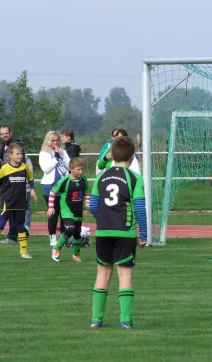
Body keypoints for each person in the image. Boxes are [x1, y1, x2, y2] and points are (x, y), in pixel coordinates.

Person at [88, 136, 147, 329]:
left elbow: (94, 205)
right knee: (125, 274)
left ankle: (96, 320)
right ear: (132, 157)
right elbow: (139, 207)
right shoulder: (134, 178)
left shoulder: (101, 177)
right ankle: (125, 320)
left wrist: (103, 220)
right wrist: (144, 233)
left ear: (112, 155)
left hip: (104, 231)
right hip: (125, 232)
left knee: (103, 273)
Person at [0, 144, 37, 259]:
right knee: (0, 224)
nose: (20, 156)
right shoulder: (5, 168)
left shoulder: (24, 167)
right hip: (8, 202)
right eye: (18, 154)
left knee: (20, 226)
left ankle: (24, 252)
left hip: (21, 202)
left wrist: (32, 189)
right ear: (10, 155)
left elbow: (31, 179)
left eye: (21, 154)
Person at [49, 157, 90, 262]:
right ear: (71, 169)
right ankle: (56, 249)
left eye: (82, 169)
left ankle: (76, 255)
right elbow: (53, 192)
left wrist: (87, 201)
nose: (80, 171)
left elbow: (87, 192)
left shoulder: (84, 179)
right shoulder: (65, 181)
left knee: (77, 233)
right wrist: (51, 207)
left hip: (78, 211)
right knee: (70, 229)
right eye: (78, 169)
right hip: (67, 211)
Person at [0, 125, 33, 244]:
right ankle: (18, 234)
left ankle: (13, 236)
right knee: (11, 213)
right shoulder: (1, 147)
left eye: (6, 133)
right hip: (8, 186)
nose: (4, 135)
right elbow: (2, 168)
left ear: (10, 133)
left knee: (14, 213)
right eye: (2, 134)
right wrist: (0, 186)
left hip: (18, 185)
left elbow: (23, 166)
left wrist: (28, 186)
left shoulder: (17, 146)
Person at [39, 131, 71, 246]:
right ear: (48, 141)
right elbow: (46, 169)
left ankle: (64, 237)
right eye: (53, 140)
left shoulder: (63, 151)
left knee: (65, 214)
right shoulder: (44, 153)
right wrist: (56, 157)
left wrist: (61, 156)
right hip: (50, 187)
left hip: (64, 186)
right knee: (53, 213)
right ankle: (52, 237)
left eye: (57, 140)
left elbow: (69, 166)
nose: (55, 142)